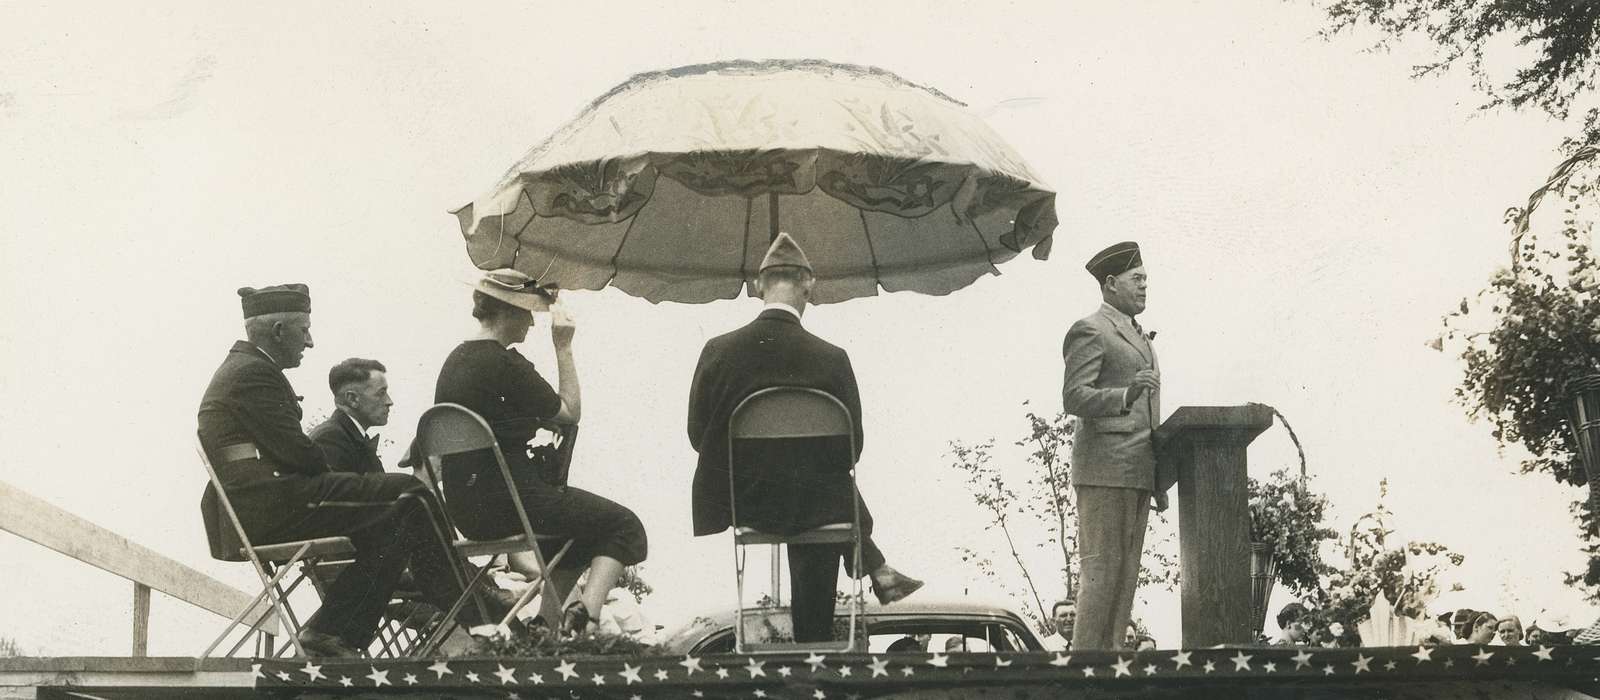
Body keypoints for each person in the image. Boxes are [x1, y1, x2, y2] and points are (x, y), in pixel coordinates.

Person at [197, 284, 500, 657]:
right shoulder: (253, 374)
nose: (309, 343)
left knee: (398, 517)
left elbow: (288, 452)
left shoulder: (245, 369)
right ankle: (467, 597)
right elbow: (301, 454)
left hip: (266, 504)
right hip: (273, 506)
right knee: (411, 492)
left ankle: (330, 633)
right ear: (278, 331)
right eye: (304, 330)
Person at [686, 233, 923, 643]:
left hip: (747, 503)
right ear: (809, 284)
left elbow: (697, 436)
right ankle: (824, 627)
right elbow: (853, 450)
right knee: (826, 486)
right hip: (820, 505)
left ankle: (875, 567)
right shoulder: (831, 358)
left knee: (819, 486)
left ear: (758, 285)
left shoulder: (718, 351)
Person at [433, 269, 647, 635]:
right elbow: (569, 411)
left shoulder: (454, 362)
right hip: (514, 501)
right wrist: (563, 346)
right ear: (508, 311)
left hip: (467, 509)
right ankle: (584, 621)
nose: (532, 322)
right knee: (623, 525)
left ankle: (547, 626)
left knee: (574, 534)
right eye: (527, 312)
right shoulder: (507, 363)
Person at [1061, 241, 1163, 650]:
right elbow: (1074, 396)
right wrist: (1125, 394)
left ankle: (1111, 663)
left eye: (1145, 280)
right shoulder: (1091, 329)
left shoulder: (1141, 336)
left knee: (1125, 576)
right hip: (1105, 466)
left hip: (1137, 468)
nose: (1143, 287)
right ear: (1110, 283)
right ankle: (1087, 670)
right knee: (1101, 573)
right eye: (1136, 279)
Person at [310, 358, 393, 474]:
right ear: (352, 399)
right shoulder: (330, 439)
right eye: (381, 393)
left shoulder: (351, 439)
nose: (389, 401)